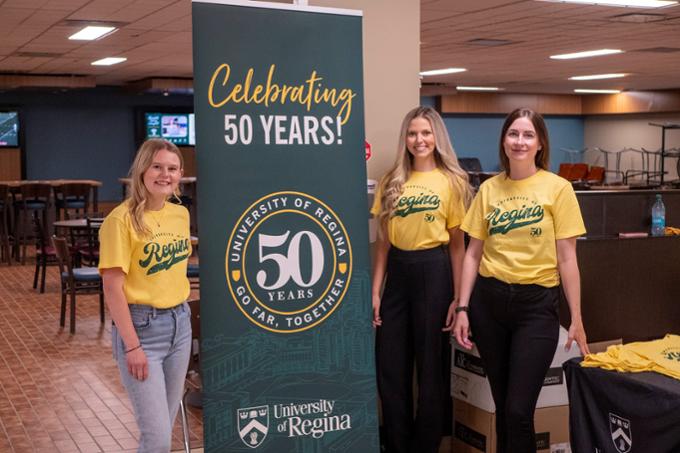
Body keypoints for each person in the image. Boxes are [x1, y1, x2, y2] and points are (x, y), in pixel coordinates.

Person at [452, 107, 590, 453]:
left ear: (540, 143)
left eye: (528, 135)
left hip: (536, 308)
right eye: (513, 133)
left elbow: (567, 258)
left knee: (518, 410)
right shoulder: (488, 189)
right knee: (503, 408)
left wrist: (577, 317)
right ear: (504, 140)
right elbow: (472, 254)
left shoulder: (558, 189)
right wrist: (464, 307)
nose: (520, 141)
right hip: (489, 304)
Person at [371, 106, 472, 453]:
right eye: (413, 133)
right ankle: (398, 446)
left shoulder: (453, 182)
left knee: (431, 372)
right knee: (391, 368)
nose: (419, 140)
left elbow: (458, 247)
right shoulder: (391, 181)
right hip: (398, 276)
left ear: (437, 137)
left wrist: (459, 302)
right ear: (406, 138)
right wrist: (376, 291)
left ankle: (424, 447)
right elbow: (383, 245)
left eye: (426, 133)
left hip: (434, 272)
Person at [99, 138, 192, 452]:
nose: (165, 174)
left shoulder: (180, 216)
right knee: (157, 439)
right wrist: (133, 345)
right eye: (157, 166)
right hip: (142, 331)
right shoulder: (120, 220)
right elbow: (112, 288)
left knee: (165, 428)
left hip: (180, 325)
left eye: (172, 168)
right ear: (142, 170)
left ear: (180, 174)